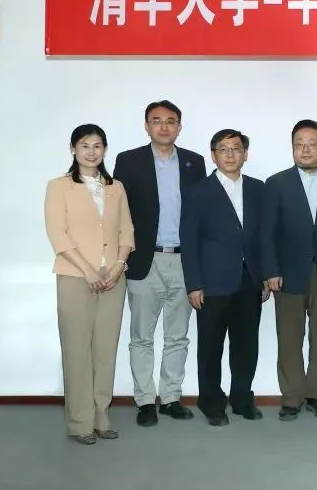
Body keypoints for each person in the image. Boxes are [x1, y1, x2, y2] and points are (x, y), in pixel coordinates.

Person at [113, 100, 206, 427]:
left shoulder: (194, 162)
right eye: (157, 120)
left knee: (177, 335)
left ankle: (170, 398)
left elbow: (200, 215)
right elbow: (118, 212)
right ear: (146, 126)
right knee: (142, 336)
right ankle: (144, 401)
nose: (164, 127)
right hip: (144, 259)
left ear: (179, 127)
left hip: (183, 260)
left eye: (170, 121)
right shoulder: (129, 161)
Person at [44, 124, 134, 444]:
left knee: (105, 350)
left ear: (104, 150)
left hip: (113, 278)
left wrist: (119, 266)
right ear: (73, 149)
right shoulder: (59, 186)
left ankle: (101, 416)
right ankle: (81, 422)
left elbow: (126, 231)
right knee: (77, 350)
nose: (91, 152)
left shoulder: (115, 187)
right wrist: (88, 270)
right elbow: (58, 233)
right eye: (85, 146)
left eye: (97, 146)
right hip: (74, 276)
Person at [181, 129, 268, 426]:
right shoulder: (197, 191)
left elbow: (263, 237)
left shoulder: (257, 188)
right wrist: (194, 284)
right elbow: (189, 241)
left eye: (236, 148)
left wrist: (265, 275)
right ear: (213, 155)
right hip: (211, 283)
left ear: (245, 154)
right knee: (211, 347)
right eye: (223, 149)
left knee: (246, 345)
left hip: (249, 280)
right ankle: (211, 403)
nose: (230, 154)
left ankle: (242, 399)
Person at [260, 120, 317, 421]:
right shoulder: (276, 183)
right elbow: (266, 232)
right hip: (287, 273)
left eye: (312, 144)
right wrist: (270, 271)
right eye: (299, 144)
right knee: (289, 338)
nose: (306, 150)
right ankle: (292, 397)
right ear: (292, 147)